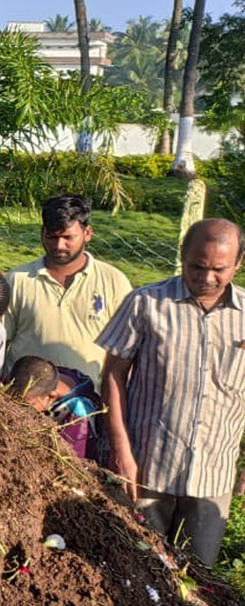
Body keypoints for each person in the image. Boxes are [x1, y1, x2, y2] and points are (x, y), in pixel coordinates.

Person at [97, 218, 245, 566]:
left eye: (219, 269)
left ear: (238, 264)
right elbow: (113, 376)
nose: (207, 278)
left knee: (199, 579)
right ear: (182, 257)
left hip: (213, 474)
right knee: (138, 572)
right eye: (197, 266)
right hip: (147, 471)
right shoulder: (146, 304)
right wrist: (121, 450)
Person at [3, 195, 133, 383]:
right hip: (24, 404)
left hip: (88, 405)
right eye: (52, 237)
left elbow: (126, 352)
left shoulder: (114, 282)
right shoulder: (18, 280)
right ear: (42, 233)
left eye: (67, 237)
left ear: (87, 233)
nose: (59, 245)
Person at [6, 355, 102, 461]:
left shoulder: (78, 417)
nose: (17, 408)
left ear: (51, 398)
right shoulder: (45, 376)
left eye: (27, 404)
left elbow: (71, 461)